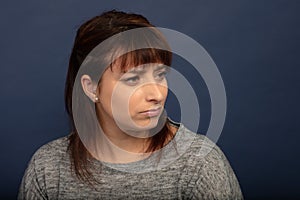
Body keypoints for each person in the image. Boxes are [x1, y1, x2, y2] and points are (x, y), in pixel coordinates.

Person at [18, 10, 243, 199]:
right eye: (133, 79)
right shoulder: (47, 169)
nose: (156, 94)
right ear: (91, 87)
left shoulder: (199, 165)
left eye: (160, 74)